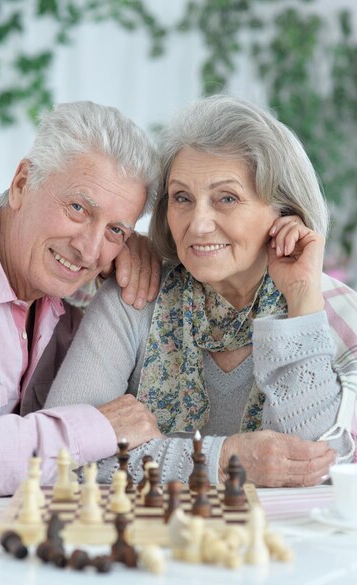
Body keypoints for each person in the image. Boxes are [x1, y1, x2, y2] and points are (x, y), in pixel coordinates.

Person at [47, 95, 357, 488]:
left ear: (284, 212)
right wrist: (221, 460)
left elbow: (310, 466)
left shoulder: (339, 317)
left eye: (226, 198)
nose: (199, 224)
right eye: (182, 198)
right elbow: (61, 455)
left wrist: (300, 301)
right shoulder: (135, 298)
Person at [0, 101, 165, 498]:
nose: (89, 249)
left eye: (115, 230)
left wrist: (140, 250)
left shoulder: (88, 290)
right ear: (22, 183)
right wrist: (92, 428)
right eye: (78, 208)